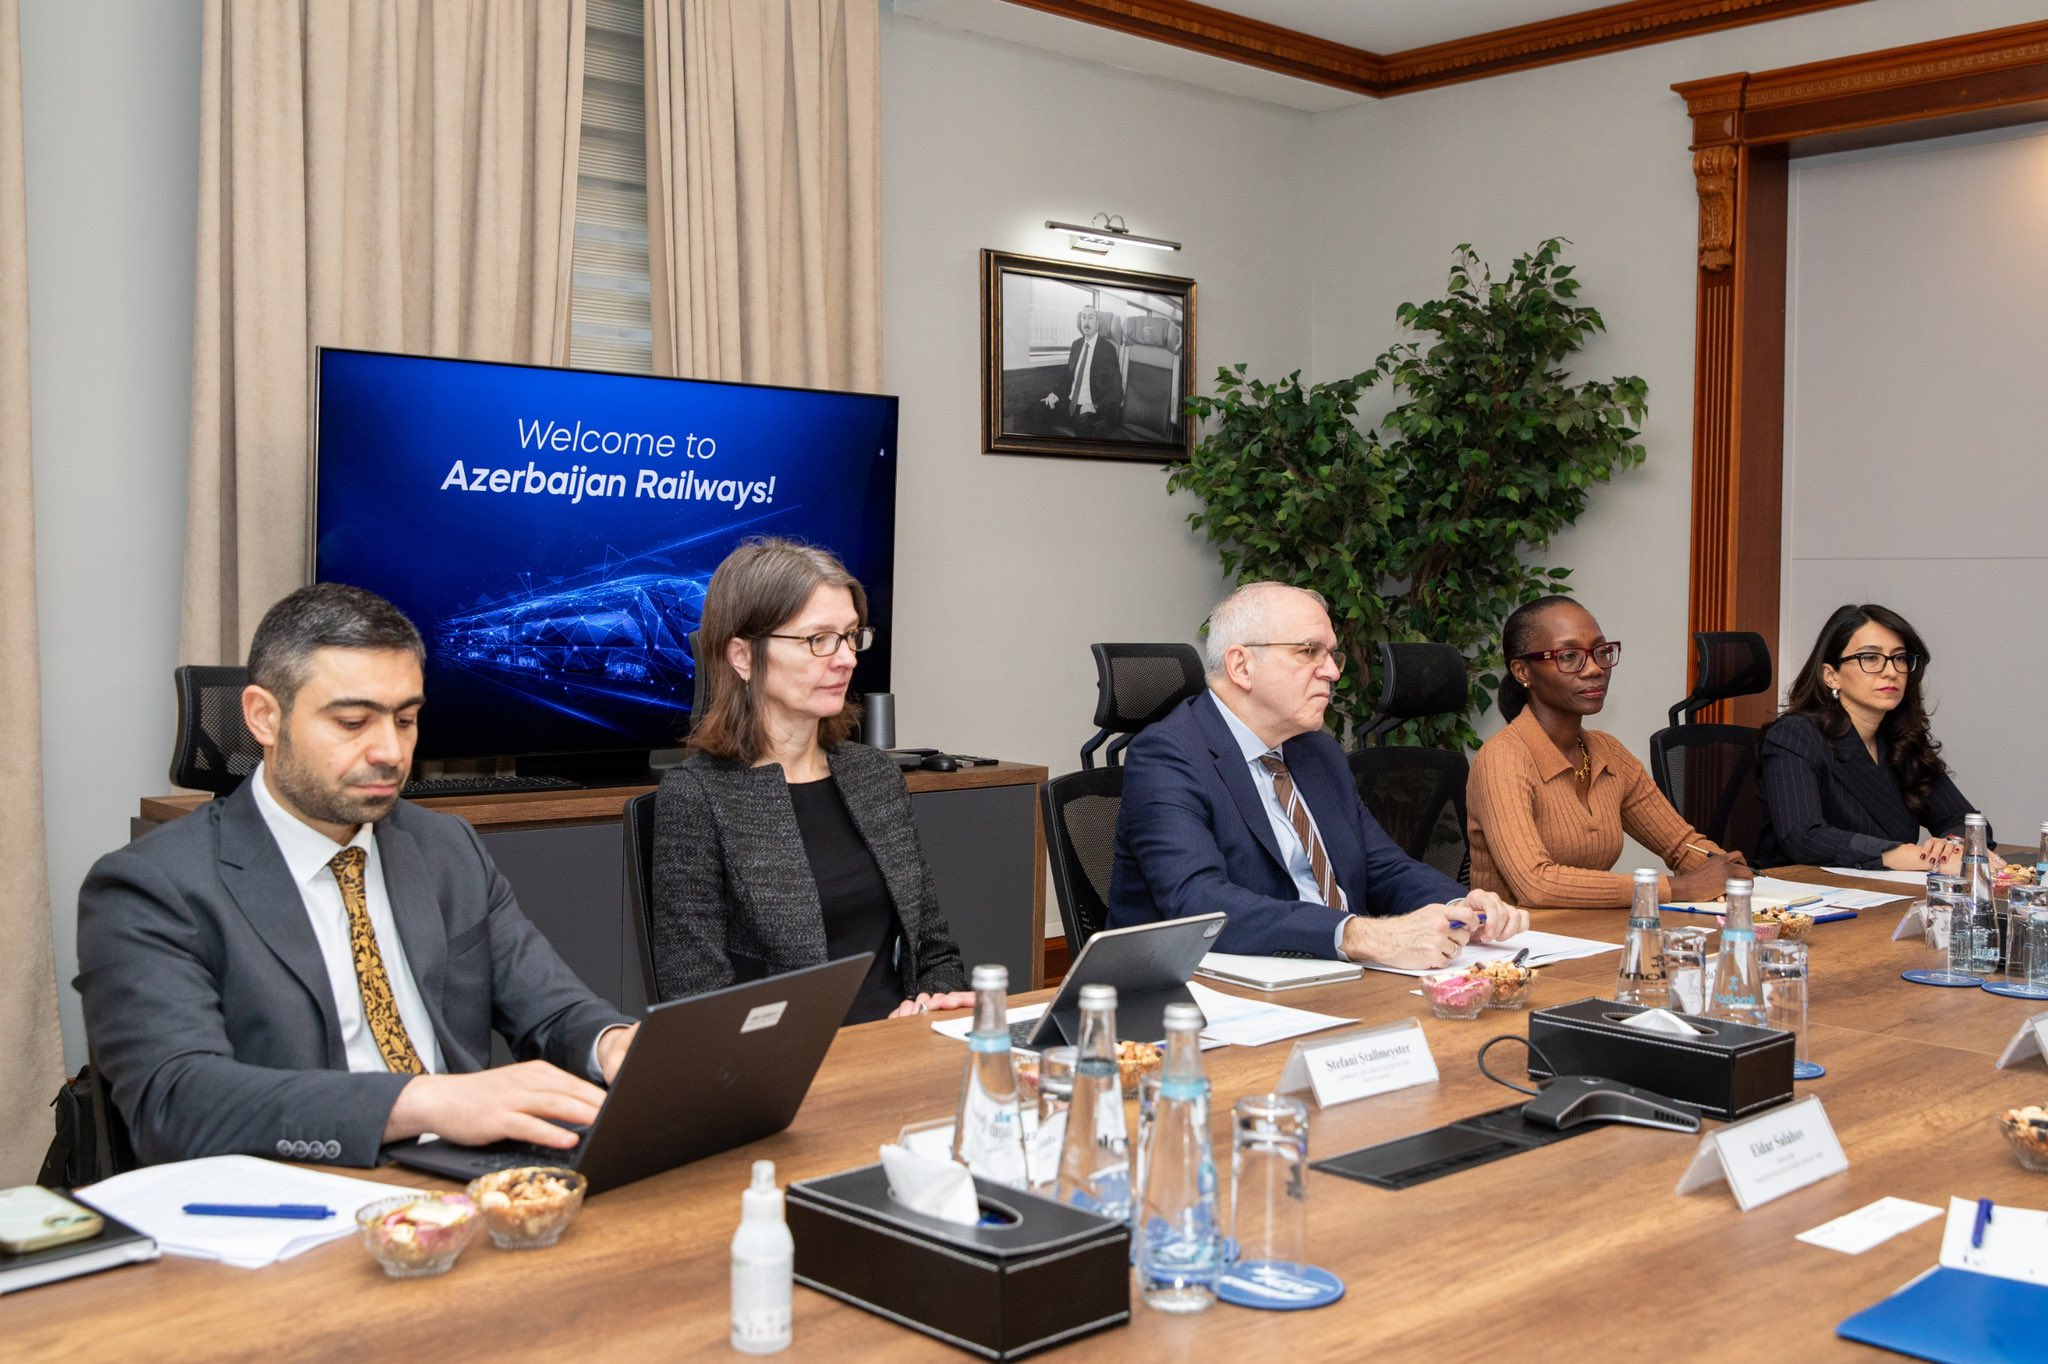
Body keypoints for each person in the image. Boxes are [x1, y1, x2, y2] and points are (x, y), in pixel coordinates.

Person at [76, 584, 638, 1168]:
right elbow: (177, 1105)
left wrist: (612, 1043)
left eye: (406, 719)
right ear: (264, 717)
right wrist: (420, 1102)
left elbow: (552, 1010)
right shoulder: (150, 885)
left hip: (465, 1181)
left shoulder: (446, 848)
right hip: (296, 1194)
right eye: (352, 722)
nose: (390, 752)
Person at [1107, 582, 1529, 967]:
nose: (1332, 671)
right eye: (1309, 651)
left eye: (1331, 654)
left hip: (1334, 977)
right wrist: (1359, 935)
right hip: (1212, 987)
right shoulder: (1168, 754)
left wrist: (1460, 907)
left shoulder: (1316, 751)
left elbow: (1382, 867)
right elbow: (1198, 904)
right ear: (1241, 666)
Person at [650, 538, 972, 1024]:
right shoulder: (697, 797)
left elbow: (936, 954)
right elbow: (697, 1005)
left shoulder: (874, 776)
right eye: (818, 639)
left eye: (850, 636)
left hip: (897, 1045)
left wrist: (931, 1003)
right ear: (742, 656)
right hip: (782, 1061)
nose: (846, 659)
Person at [1466, 596, 1748, 908]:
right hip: (1518, 936)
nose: (1594, 669)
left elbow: (1681, 846)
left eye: (1601, 652)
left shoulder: (1608, 751)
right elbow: (1536, 884)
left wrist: (1724, 870)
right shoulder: (1502, 758)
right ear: (1523, 672)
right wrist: (1680, 887)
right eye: (1569, 656)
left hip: (1596, 931)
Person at [1758, 603, 1983, 871]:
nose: (1891, 671)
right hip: (1803, 888)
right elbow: (1804, 837)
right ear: (1831, 676)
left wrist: (1952, 846)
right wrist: (1911, 856)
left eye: (1900, 658)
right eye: (1870, 658)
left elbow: (1966, 821)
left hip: (1885, 887)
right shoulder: (1796, 735)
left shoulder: (1902, 739)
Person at [1038, 304, 1123, 437]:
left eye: (1090, 317)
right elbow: (1068, 379)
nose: (1086, 321)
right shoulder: (1076, 345)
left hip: (1089, 409)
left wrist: (1096, 406)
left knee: (1083, 425)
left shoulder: (1108, 350)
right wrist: (1056, 394)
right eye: (1083, 317)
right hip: (1069, 404)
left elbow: (1117, 391)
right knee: (1037, 408)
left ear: (1097, 324)